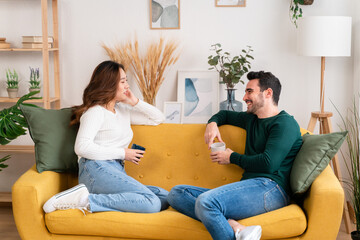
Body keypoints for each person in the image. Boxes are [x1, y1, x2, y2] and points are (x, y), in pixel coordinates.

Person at [167, 71, 303, 240]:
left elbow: (269, 163)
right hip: (250, 186)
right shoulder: (251, 119)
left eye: (249, 91)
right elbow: (224, 114)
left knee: (206, 202)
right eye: (245, 92)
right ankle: (235, 226)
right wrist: (212, 123)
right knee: (176, 193)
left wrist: (231, 158)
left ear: (268, 93)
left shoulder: (285, 123)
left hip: (272, 189)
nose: (245, 97)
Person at [43, 60, 169, 214]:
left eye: (126, 81)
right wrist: (123, 153)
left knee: (165, 197)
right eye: (122, 82)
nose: (127, 86)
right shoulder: (95, 112)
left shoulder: (123, 110)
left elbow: (158, 118)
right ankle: (84, 200)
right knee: (151, 203)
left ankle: (91, 197)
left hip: (115, 169)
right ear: (109, 84)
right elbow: (81, 147)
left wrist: (135, 102)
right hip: (95, 168)